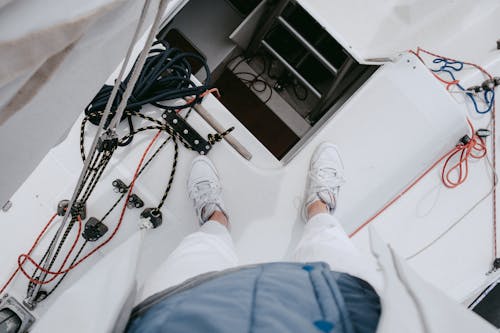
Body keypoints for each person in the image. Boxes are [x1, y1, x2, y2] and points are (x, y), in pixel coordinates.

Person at [125, 142, 382, 333]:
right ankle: (319, 208)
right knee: (330, 244)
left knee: (197, 253)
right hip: (350, 313)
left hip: (175, 318)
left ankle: (215, 218)